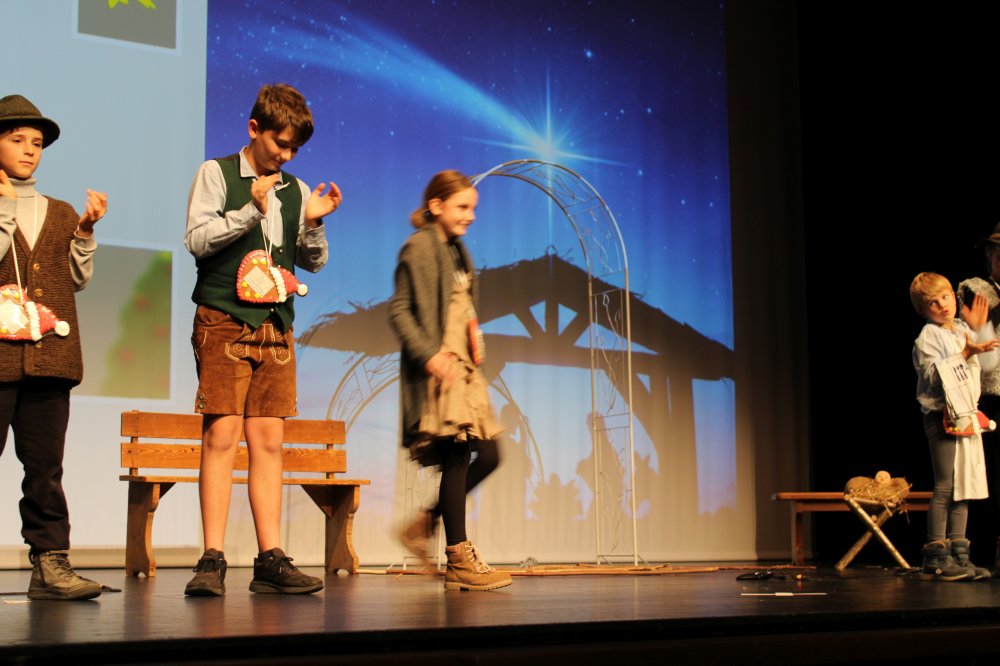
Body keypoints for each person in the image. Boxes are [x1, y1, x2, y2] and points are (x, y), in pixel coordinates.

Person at [183, 83, 342, 596]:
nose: (287, 156)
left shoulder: (295, 189)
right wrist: (250, 210)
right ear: (254, 129)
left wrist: (313, 222)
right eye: (280, 143)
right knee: (222, 436)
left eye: (295, 148)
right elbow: (197, 241)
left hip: (276, 324)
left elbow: (313, 261)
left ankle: (270, 558)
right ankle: (212, 557)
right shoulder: (217, 173)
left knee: (269, 441)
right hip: (224, 320)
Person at [0, 94, 107, 600]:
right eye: (17, 139)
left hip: (49, 360)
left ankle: (50, 564)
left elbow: (74, 281)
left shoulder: (59, 211)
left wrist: (84, 233)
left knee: (45, 469)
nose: (29, 150)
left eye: (37, 143)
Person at [388, 170, 511, 591]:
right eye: (462, 207)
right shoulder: (419, 247)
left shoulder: (457, 250)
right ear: (436, 205)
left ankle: (425, 523)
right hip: (439, 367)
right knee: (459, 455)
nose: (470, 215)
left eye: (473, 208)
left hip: (464, 367)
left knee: (490, 455)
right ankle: (458, 557)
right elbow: (399, 311)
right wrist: (430, 356)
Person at [911, 272, 998, 581]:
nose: (942, 305)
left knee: (965, 487)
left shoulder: (962, 328)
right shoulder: (928, 336)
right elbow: (934, 377)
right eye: (932, 303)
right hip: (941, 416)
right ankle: (936, 553)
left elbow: (989, 365)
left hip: (966, 415)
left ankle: (960, 554)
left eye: (945, 297)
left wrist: (979, 329)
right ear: (923, 310)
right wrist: (966, 353)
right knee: (946, 486)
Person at [957, 224, 1000, 571]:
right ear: (990, 257)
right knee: (992, 481)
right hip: (993, 396)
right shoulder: (978, 292)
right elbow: (986, 362)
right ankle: (983, 555)